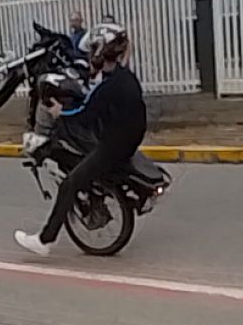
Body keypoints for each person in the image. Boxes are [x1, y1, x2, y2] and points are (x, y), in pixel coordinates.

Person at [14, 23, 146, 256]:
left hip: (113, 146)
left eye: (92, 49)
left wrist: (58, 112)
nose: (88, 53)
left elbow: (82, 114)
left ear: (98, 52)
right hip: (129, 137)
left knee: (69, 184)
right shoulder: (124, 76)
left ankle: (45, 240)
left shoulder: (107, 88)